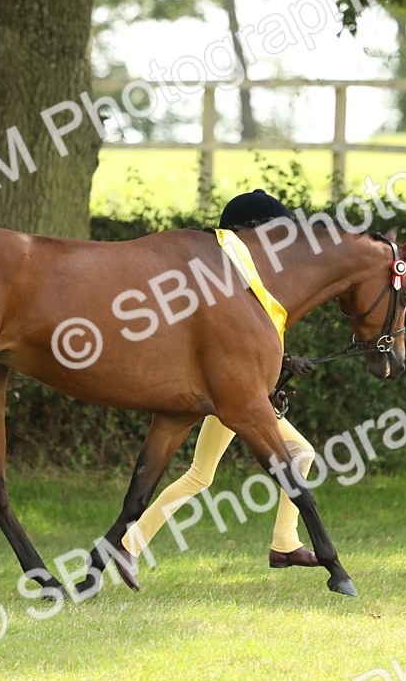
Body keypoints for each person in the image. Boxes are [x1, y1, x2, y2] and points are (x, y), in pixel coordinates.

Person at [115, 189, 320, 590]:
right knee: (203, 475)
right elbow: (231, 350)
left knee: (211, 473)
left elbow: (248, 348)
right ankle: (130, 543)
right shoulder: (232, 277)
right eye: (271, 233)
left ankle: (284, 542)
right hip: (227, 394)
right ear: (250, 232)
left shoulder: (248, 279)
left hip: (237, 391)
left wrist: (283, 364)